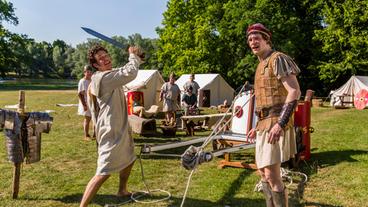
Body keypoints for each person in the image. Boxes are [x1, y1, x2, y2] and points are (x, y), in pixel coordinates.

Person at [80, 44, 144, 207]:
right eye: (101, 58)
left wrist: (137, 57)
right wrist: (132, 56)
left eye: (106, 54)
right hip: (109, 129)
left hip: (120, 124)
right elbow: (129, 72)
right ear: (95, 65)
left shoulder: (109, 73)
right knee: (103, 172)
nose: (106, 58)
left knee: (129, 158)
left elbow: (127, 69)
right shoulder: (102, 78)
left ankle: (122, 190)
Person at [246, 23, 301, 207]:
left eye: (256, 38)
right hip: (264, 124)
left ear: (266, 39)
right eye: (250, 39)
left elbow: (294, 92)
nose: (253, 42)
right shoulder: (260, 64)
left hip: (277, 122)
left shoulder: (278, 59)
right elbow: (264, 100)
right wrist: (256, 126)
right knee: (262, 172)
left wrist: (281, 123)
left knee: (272, 175)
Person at [77, 65, 94, 141]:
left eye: (90, 71)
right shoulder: (82, 81)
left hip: (93, 102)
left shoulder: (92, 80)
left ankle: (95, 134)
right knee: (88, 119)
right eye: (87, 72)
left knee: (95, 118)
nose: (89, 73)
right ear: (84, 72)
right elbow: (80, 94)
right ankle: (86, 135)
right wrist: (84, 105)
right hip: (86, 102)